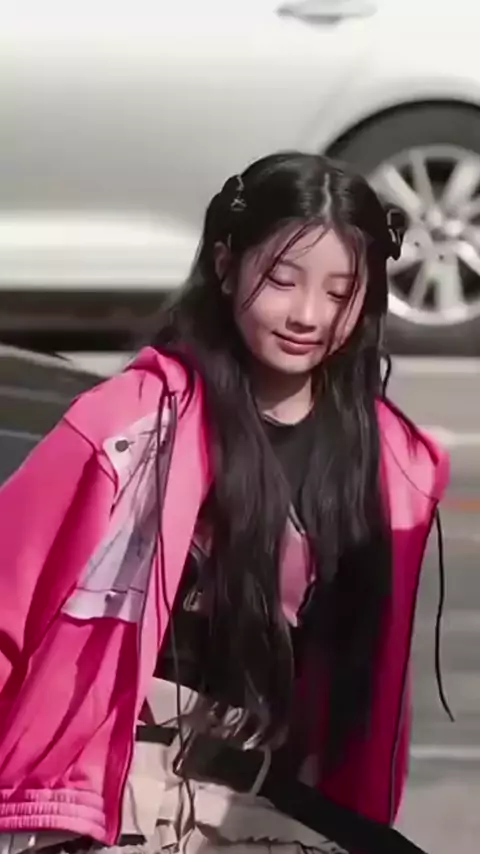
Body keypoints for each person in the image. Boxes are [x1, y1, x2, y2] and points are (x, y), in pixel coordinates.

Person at [0, 152, 450, 854]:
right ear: (225, 264)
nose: (308, 315)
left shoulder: (389, 462)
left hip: (253, 789)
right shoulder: (130, 424)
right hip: (101, 787)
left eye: (340, 292)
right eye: (282, 280)